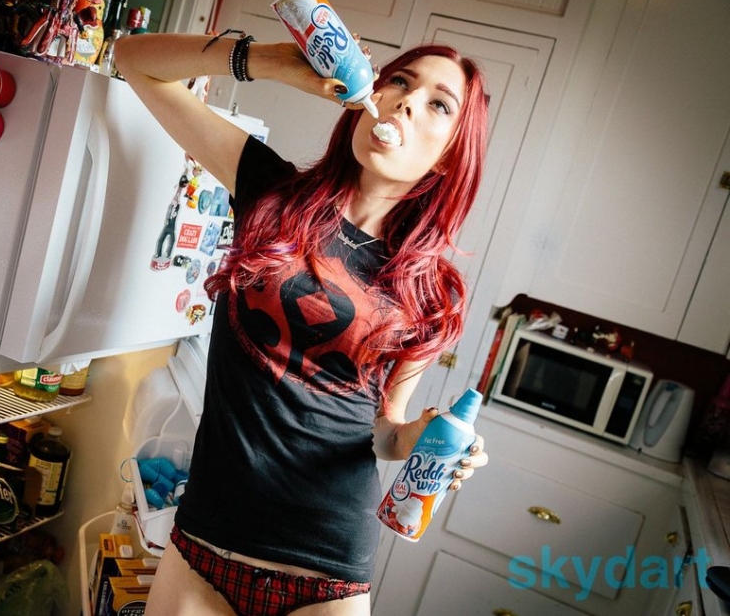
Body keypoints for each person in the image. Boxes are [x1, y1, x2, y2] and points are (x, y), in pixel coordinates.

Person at [115, 30, 491, 616]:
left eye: (439, 104)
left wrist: (417, 438)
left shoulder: (429, 290)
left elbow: (383, 431)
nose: (405, 102)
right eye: (399, 81)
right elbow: (134, 60)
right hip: (205, 540)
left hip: (325, 572)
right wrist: (272, 62)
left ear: (449, 156)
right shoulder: (269, 191)